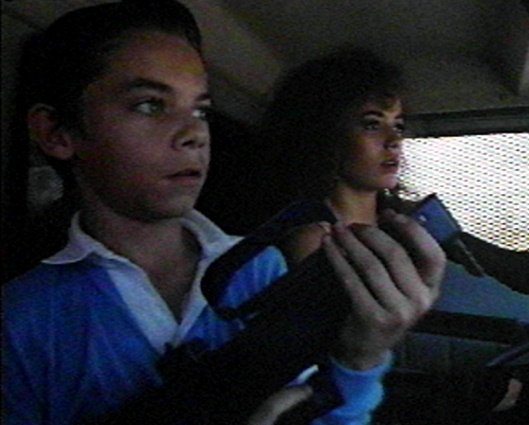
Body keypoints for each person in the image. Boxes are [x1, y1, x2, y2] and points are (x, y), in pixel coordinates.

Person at [2, 2, 446, 425]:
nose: (194, 133)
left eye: (200, 110)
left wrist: (361, 359)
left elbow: (309, 407)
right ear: (57, 133)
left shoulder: (258, 267)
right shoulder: (22, 319)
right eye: (149, 105)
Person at [251, 47, 529, 423]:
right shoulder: (316, 240)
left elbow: (501, 267)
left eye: (398, 125)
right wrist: (468, 394)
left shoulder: (411, 221)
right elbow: (342, 368)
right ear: (323, 135)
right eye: (372, 124)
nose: (393, 139)